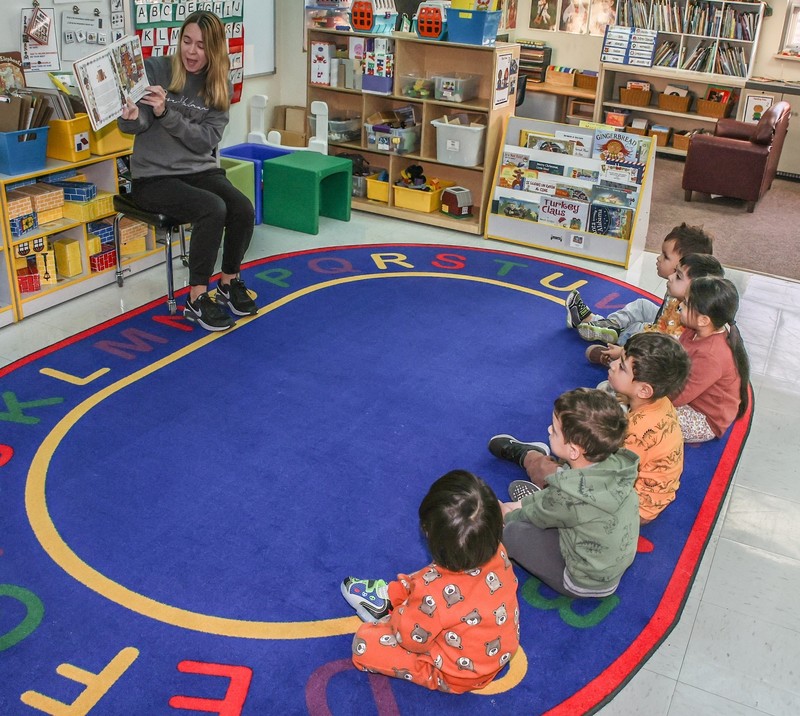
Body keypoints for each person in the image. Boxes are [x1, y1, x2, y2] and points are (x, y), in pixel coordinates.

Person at [118, 11, 257, 332]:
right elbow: (136, 124)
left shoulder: (220, 87)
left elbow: (203, 142)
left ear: (215, 51)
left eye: (202, 46)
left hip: (199, 170)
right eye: (187, 41)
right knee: (212, 208)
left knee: (242, 208)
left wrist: (167, 112)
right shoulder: (157, 69)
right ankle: (196, 297)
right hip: (153, 177)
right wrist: (129, 115)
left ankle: (228, 281)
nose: (191, 52)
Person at [341, 470, 520, 694]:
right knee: (429, 580)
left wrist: (396, 618)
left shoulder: (433, 593)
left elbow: (411, 641)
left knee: (364, 644)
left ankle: (388, 608)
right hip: (495, 648)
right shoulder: (496, 552)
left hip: (458, 673)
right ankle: (394, 595)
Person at [490, 388, 639, 598]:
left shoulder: (570, 495)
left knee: (512, 532)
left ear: (574, 451)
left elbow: (544, 511)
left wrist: (507, 513)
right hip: (603, 562)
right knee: (554, 501)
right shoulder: (613, 465)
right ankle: (538, 502)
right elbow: (569, 490)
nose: (549, 429)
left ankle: (526, 509)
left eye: (556, 431)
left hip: (583, 582)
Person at [565, 223, 714, 345]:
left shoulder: (687, 307)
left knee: (636, 328)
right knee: (641, 305)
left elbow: (667, 339)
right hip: (662, 322)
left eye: (666, 256)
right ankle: (607, 324)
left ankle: (611, 332)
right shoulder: (679, 285)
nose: (658, 258)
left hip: (661, 342)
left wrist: (648, 329)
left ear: (684, 266)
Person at [605, 332, 690, 523]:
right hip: (653, 496)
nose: (612, 365)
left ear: (644, 390)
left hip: (636, 509)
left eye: (621, 367)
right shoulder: (662, 401)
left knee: (561, 473)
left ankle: (532, 460)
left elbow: (610, 475)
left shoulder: (636, 431)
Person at [586, 253, 724, 367]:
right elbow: (659, 325)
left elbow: (659, 349)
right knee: (641, 308)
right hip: (656, 334)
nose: (671, 276)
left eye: (678, 276)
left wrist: (624, 352)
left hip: (656, 355)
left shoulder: (689, 321)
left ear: (697, 288)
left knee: (635, 333)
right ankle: (608, 327)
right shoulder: (676, 298)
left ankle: (618, 359)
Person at [672, 276, 750, 442]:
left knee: (645, 416)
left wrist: (641, 394)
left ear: (703, 320)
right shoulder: (694, 330)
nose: (680, 305)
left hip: (703, 418)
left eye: (686, 303)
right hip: (685, 396)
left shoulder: (711, 356)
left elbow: (678, 397)